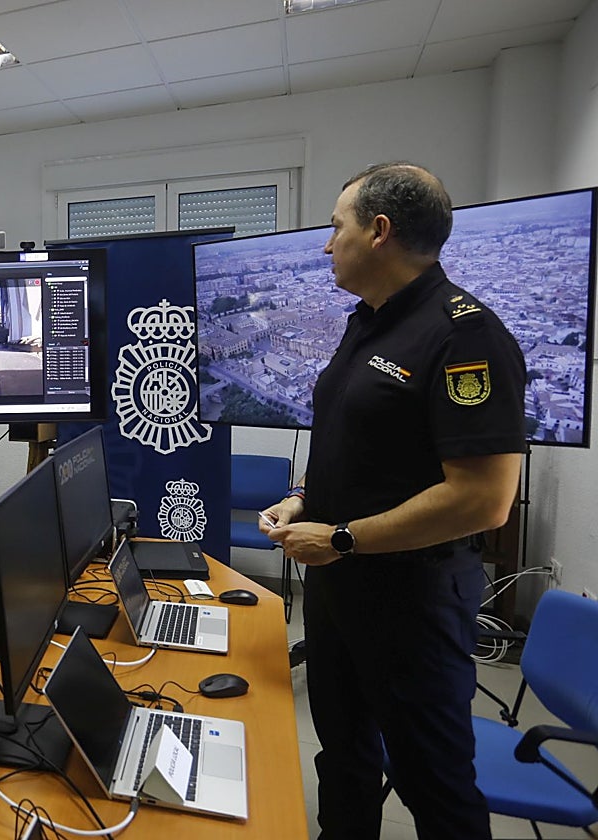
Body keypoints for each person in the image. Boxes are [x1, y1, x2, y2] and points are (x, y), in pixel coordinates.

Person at [261, 162, 525, 840]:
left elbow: (484, 500)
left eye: (334, 227)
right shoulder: (368, 323)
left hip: (410, 600)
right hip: (339, 588)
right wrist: (304, 500)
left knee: (433, 783)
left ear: (378, 232)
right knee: (343, 757)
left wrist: (341, 537)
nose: (326, 245)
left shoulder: (464, 335)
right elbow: (362, 442)